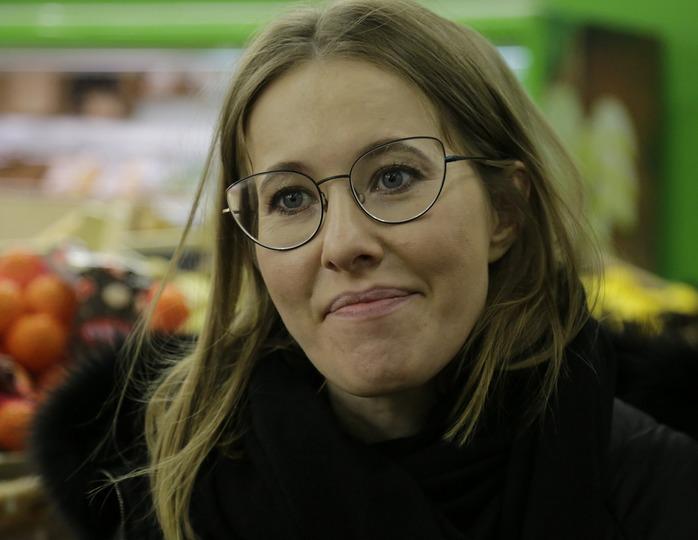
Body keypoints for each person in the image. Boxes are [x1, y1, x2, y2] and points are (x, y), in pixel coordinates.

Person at [32, 1, 698, 539]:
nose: (343, 244)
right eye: (290, 198)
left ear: (504, 211)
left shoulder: (655, 487)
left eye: (395, 177)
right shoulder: (166, 488)